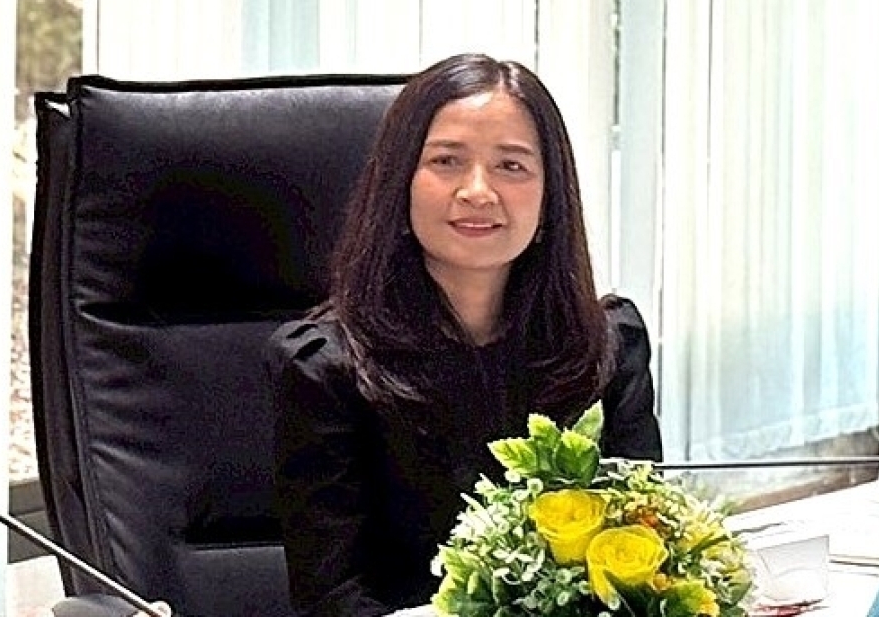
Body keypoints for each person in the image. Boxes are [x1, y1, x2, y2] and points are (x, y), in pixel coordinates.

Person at [264, 53, 663, 617]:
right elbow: (331, 598)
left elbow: (644, 555)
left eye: (511, 165)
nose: (478, 190)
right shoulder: (325, 369)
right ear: (400, 184)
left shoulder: (607, 348)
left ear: (550, 196)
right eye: (447, 161)